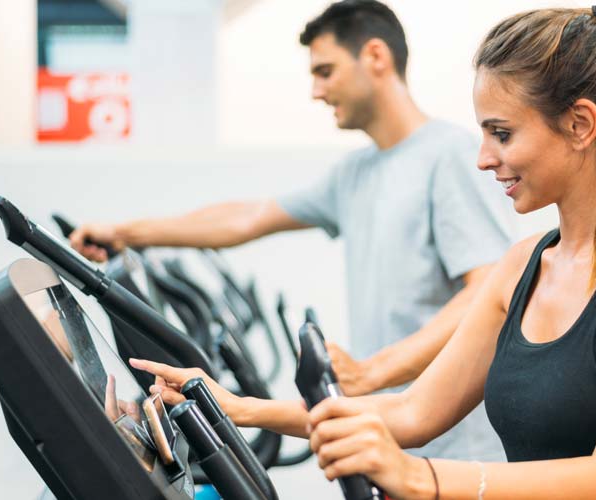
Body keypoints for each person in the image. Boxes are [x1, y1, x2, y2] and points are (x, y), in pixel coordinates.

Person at [129, 3, 596, 497]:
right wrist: (238, 407)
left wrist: (424, 480)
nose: (483, 157)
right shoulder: (522, 265)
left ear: (580, 124)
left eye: (502, 134)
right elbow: (414, 412)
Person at [72, 0, 511, 462]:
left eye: (326, 71)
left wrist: (370, 372)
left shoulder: (451, 156)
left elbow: (486, 294)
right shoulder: (356, 172)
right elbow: (250, 217)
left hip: (456, 447)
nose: (317, 91)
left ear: (376, 57)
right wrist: (126, 232)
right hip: (388, 435)